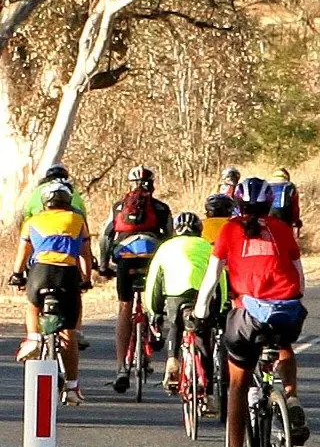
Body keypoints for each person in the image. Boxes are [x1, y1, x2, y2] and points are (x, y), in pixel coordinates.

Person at [194, 177, 311, 447]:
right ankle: (291, 397)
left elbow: (211, 277)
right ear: (269, 204)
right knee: (283, 343)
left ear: (239, 205)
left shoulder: (229, 230)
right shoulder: (283, 229)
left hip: (248, 316)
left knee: (237, 386)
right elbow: (300, 279)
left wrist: (200, 313)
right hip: (287, 313)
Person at [11, 181, 93, 404]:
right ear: (67, 201)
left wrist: (17, 274)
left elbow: (23, 251)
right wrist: (86, 279)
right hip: (67, 276)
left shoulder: (33, 221)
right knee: (69, 333)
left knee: (32, 305)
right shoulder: (77, 220)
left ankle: (33, 338)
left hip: (40, 273)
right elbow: (85, 254)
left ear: (45, 202)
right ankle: (72, 387)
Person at [100, 166, 172, 393]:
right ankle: (156, 325)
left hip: (125, 261)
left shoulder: (118, 207)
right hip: (151, 258)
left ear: (130, 184)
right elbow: (170, 238)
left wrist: (103, 265)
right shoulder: (161, 208)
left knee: (125, 307)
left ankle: (121, 367)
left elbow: (105, 236)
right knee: (154, 299)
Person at [145, 212, 219, 392]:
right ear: (199, 230)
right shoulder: (208, 246)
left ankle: (172, 360)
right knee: (202, 335)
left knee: (175, 325)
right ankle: (207, 385)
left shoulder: (165, 247)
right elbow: (220, 278)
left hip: (175, 294)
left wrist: (153, 311)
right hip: (201, 294)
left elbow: (153, 282)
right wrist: (221, 306)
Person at [23, 163, 88, 219]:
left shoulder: (38, 189)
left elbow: (27, 212)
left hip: (40, 222)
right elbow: (83, 212)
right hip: (69, 222)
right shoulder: (73, 190)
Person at [265, 167, 303, 236]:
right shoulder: (290, 186)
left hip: (269, 215)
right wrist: (296, 220)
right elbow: (295, 207)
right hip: (285, 216)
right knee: (286, 236)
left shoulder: (266, 185)